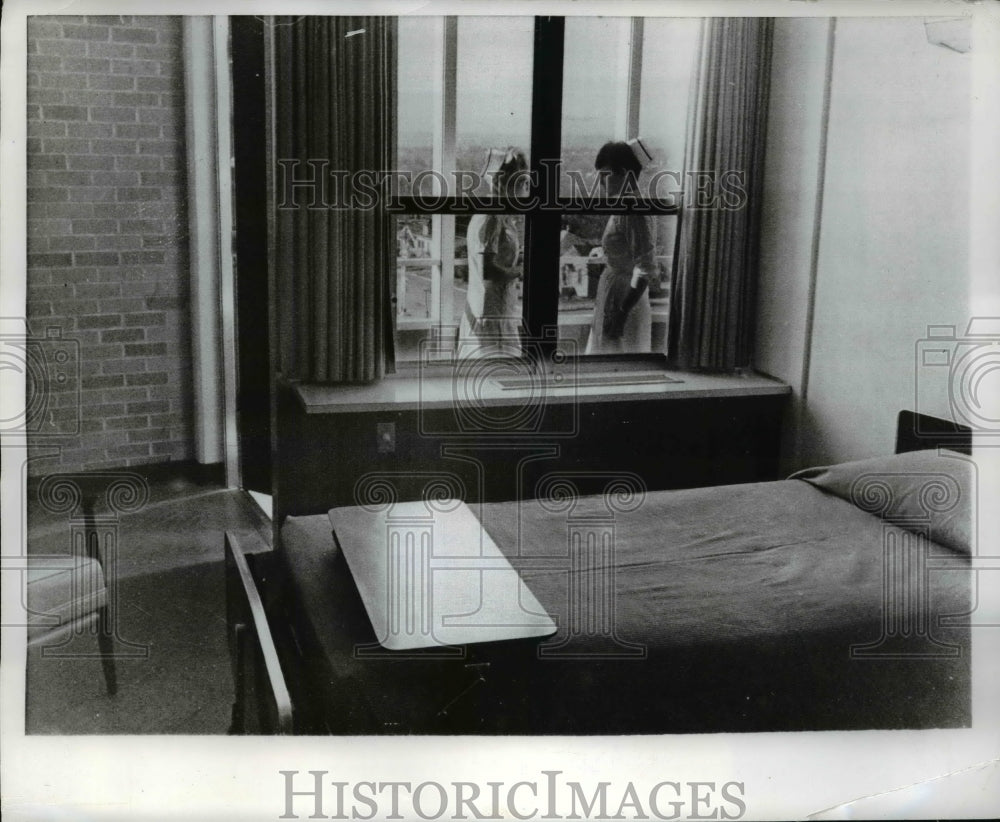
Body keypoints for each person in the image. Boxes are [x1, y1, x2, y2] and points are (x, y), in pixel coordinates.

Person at [457, 147, 529, 358]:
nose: (527, 187)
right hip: (490, 312)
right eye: (523, 181)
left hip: (499, 309)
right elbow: (488, 272)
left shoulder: (500, 216)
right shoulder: (490, 217)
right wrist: (521, 271)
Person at [586, 141, 656, 354]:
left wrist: (621, 313)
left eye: (605, 175)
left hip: (625, 299)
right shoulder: (623, 205)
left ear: (624, 174)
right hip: (616, 293)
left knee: (616, 357)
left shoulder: (632, 210)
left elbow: (645, 267)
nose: (600, 182)